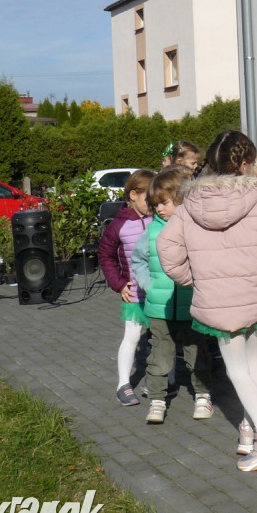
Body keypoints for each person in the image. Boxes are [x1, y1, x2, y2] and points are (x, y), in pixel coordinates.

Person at [159, 130, 257, 471]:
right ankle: (255, 429)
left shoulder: (190, 203)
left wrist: (193, 279)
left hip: (218, 300)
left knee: (238, 369)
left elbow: (167, 249)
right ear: (244, 163)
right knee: (252, 364)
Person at [131, 166, 212, 424]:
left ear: (180, 198)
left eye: (164, 203)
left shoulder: (197, 229)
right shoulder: (152, 231)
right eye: (155, 205)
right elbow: (138, 261)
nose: (159, 209)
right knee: (158, 357)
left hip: (192, 306)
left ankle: (202, 395)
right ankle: (157, 400)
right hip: (159, 307)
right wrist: (148, 285)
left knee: (197, 353)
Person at [98, 168, 155, 406]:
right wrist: (119, 283)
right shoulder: (118, 225)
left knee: (166, 337)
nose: (153, 204)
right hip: (134, 292)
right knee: (132, 336)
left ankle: (160, 381)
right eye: (148, 199)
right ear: (133, 195)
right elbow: (105, 255)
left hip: (159, 291)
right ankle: (123, 383)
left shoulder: (159, 219)